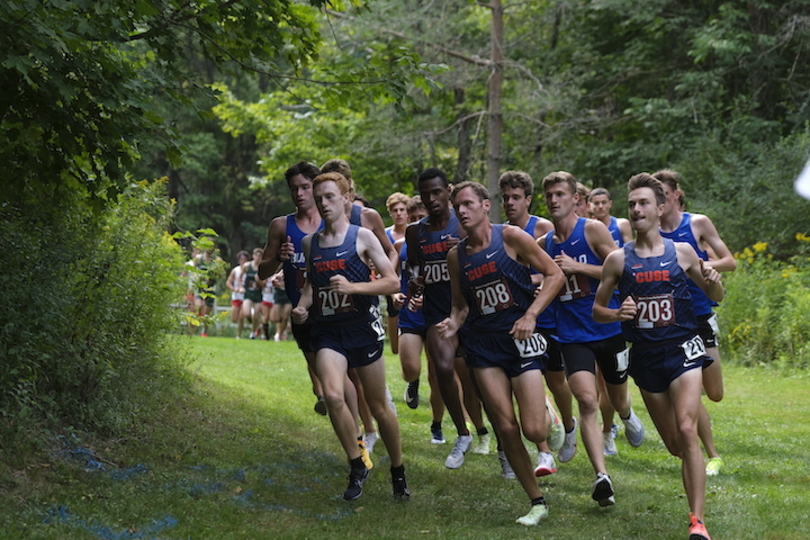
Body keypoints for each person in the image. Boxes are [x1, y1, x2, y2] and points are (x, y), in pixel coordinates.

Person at [593, 172, 722, 540]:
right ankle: (692, 467)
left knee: (686, 429)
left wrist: (713, 278)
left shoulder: (681, 252)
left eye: (644, 202)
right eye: (632, 204)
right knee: (674, 445)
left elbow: (718, 295)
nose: (636, 209)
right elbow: (597, 310)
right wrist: (619, 314)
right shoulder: (618, 260)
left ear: (660, 208)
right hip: (646, 359)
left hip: (684, 349)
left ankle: (697, 522)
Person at [437, 181, 565, 525]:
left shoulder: (510, 238)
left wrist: (531, 314)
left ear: (484, 206)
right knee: (506, 427)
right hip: (482, 345)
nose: (461, 211)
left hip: (520, 339)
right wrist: (452, 324)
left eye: (467, 204)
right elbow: (460, 306)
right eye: (456, 206)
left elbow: (554, 276)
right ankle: (536, 502)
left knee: (533, 429)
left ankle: (547, 416)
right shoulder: (455, 256)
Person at [292, 171, 408, 501]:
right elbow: (311, 286)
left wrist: (354, 287)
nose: (323, 204)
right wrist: (302, 307)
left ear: (346, 198)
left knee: (379, 406)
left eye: (330, 197)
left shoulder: (363, 237)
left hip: (363, 329)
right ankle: (357, 464)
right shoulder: (309, 243)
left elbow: (392, 282)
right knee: (332, 395)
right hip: (329, 331)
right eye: (319, 199)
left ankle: (397, 470)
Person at [538, 171, 645, 507]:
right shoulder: (545, 245)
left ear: (575, 200)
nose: (554, 201)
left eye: (560, 194)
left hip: (608, 326)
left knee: (616, 398)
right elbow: (542, 278)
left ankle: (626, 416)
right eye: (549, 196)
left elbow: (622, 268)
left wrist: (577, 268)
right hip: (571, 335)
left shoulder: (593, 230)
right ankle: (602, 476)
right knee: (586, 400)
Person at [405, 168, 491, 469]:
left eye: (436, 192)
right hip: (438, 314)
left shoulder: (465, 223)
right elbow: (414, 266)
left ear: (448, 191)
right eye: (425, 194)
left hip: (475, 314)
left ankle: (501, 443)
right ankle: (463, 433)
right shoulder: (416, 231)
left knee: (481, 383)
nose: (431, 199)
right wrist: (416, 283)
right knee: (442, 367)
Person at [258, 161, 355, 420]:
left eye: (304, 187)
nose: (299, 194)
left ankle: (364, 428)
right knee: (330, 379)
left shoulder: (335, 221)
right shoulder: (281, 225)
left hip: (339, 309)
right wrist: (279, 257)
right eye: (293, 189)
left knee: (350, 377)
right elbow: (262, 272)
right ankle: (353, 431)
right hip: (304, 314)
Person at [654, 169, 736, 477]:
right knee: (690, 383)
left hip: (702, 313)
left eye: (663, 193)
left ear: (676, 194)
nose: (659, 200)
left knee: (714, 392)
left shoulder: (697, 223)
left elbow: (730, 261)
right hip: (674, 321)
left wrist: (699, 265)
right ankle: (711, 455)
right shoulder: (650, 231)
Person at [499, 170, 573, 476]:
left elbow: (551, 269)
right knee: (524, 380)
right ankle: (542, 453)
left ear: (528, 199)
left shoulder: (540, 228)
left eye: (516, 197)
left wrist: (532, 281)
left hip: (546, 314)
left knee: (556, 381)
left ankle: (567, 425)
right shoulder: (499, 233)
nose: (510, 203)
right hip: (515, 318)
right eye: (505, 198)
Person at [392, 196, 446, 443]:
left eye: (419, 218)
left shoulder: (442, 243)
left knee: (437, 376)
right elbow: (391, 275)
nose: (415, 223)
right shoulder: (400, 244)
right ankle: (412, 383)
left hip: (435, 313)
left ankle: (437, 425)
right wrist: (394, 293)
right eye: (411, 219)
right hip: (410, 312)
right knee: (410, 368)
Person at [588, 187, 633, 455]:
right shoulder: (589, 230)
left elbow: (627, 255)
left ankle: (622, 415)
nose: (601, 206)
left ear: (610, 204)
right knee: (596, 379)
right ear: (591, 205)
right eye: (597, 203)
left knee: (613, 380)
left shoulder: (621, 225)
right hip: (594, 306)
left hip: (618, 303)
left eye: (605, 202)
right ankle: (607, 428)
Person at [384, 192, 411, 355]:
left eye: (402, 209)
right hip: (392, 281)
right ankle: (397, 347)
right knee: (393, 309)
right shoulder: (385, 235)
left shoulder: (416, 231)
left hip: (411, 281)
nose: (399, 213)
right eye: (395, 210)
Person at [241, 248, 265, 339]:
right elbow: (240, 277)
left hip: (258, 294)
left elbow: (265, 284)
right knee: (246, 314)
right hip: (248, 293)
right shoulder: (247, 266)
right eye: (256, 255)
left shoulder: (263, 267)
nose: (258, 257)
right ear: (253, 256)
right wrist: (241, 287)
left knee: (255, 316)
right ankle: (257, 326)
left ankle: (253, 333)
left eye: (260, 256)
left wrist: (258, 281)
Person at [226, 250, 250, 338]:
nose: (243, 261)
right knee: (234, 319)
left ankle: (238, 335)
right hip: (236, 296)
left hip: (246, 296)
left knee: (241, 317)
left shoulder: (250, 270)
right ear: (238, 260)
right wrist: (234, 289)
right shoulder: (235, 270)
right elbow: (228, 282)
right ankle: (251, 316)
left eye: (244, 259)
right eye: (241, 259)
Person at [269, 272, 292, 341]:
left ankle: (279, 334)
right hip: (278, 295)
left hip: (288, 295)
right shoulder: (277, 272)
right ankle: (284, 326)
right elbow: (272, 279)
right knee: (275, 319)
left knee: (285, 316)